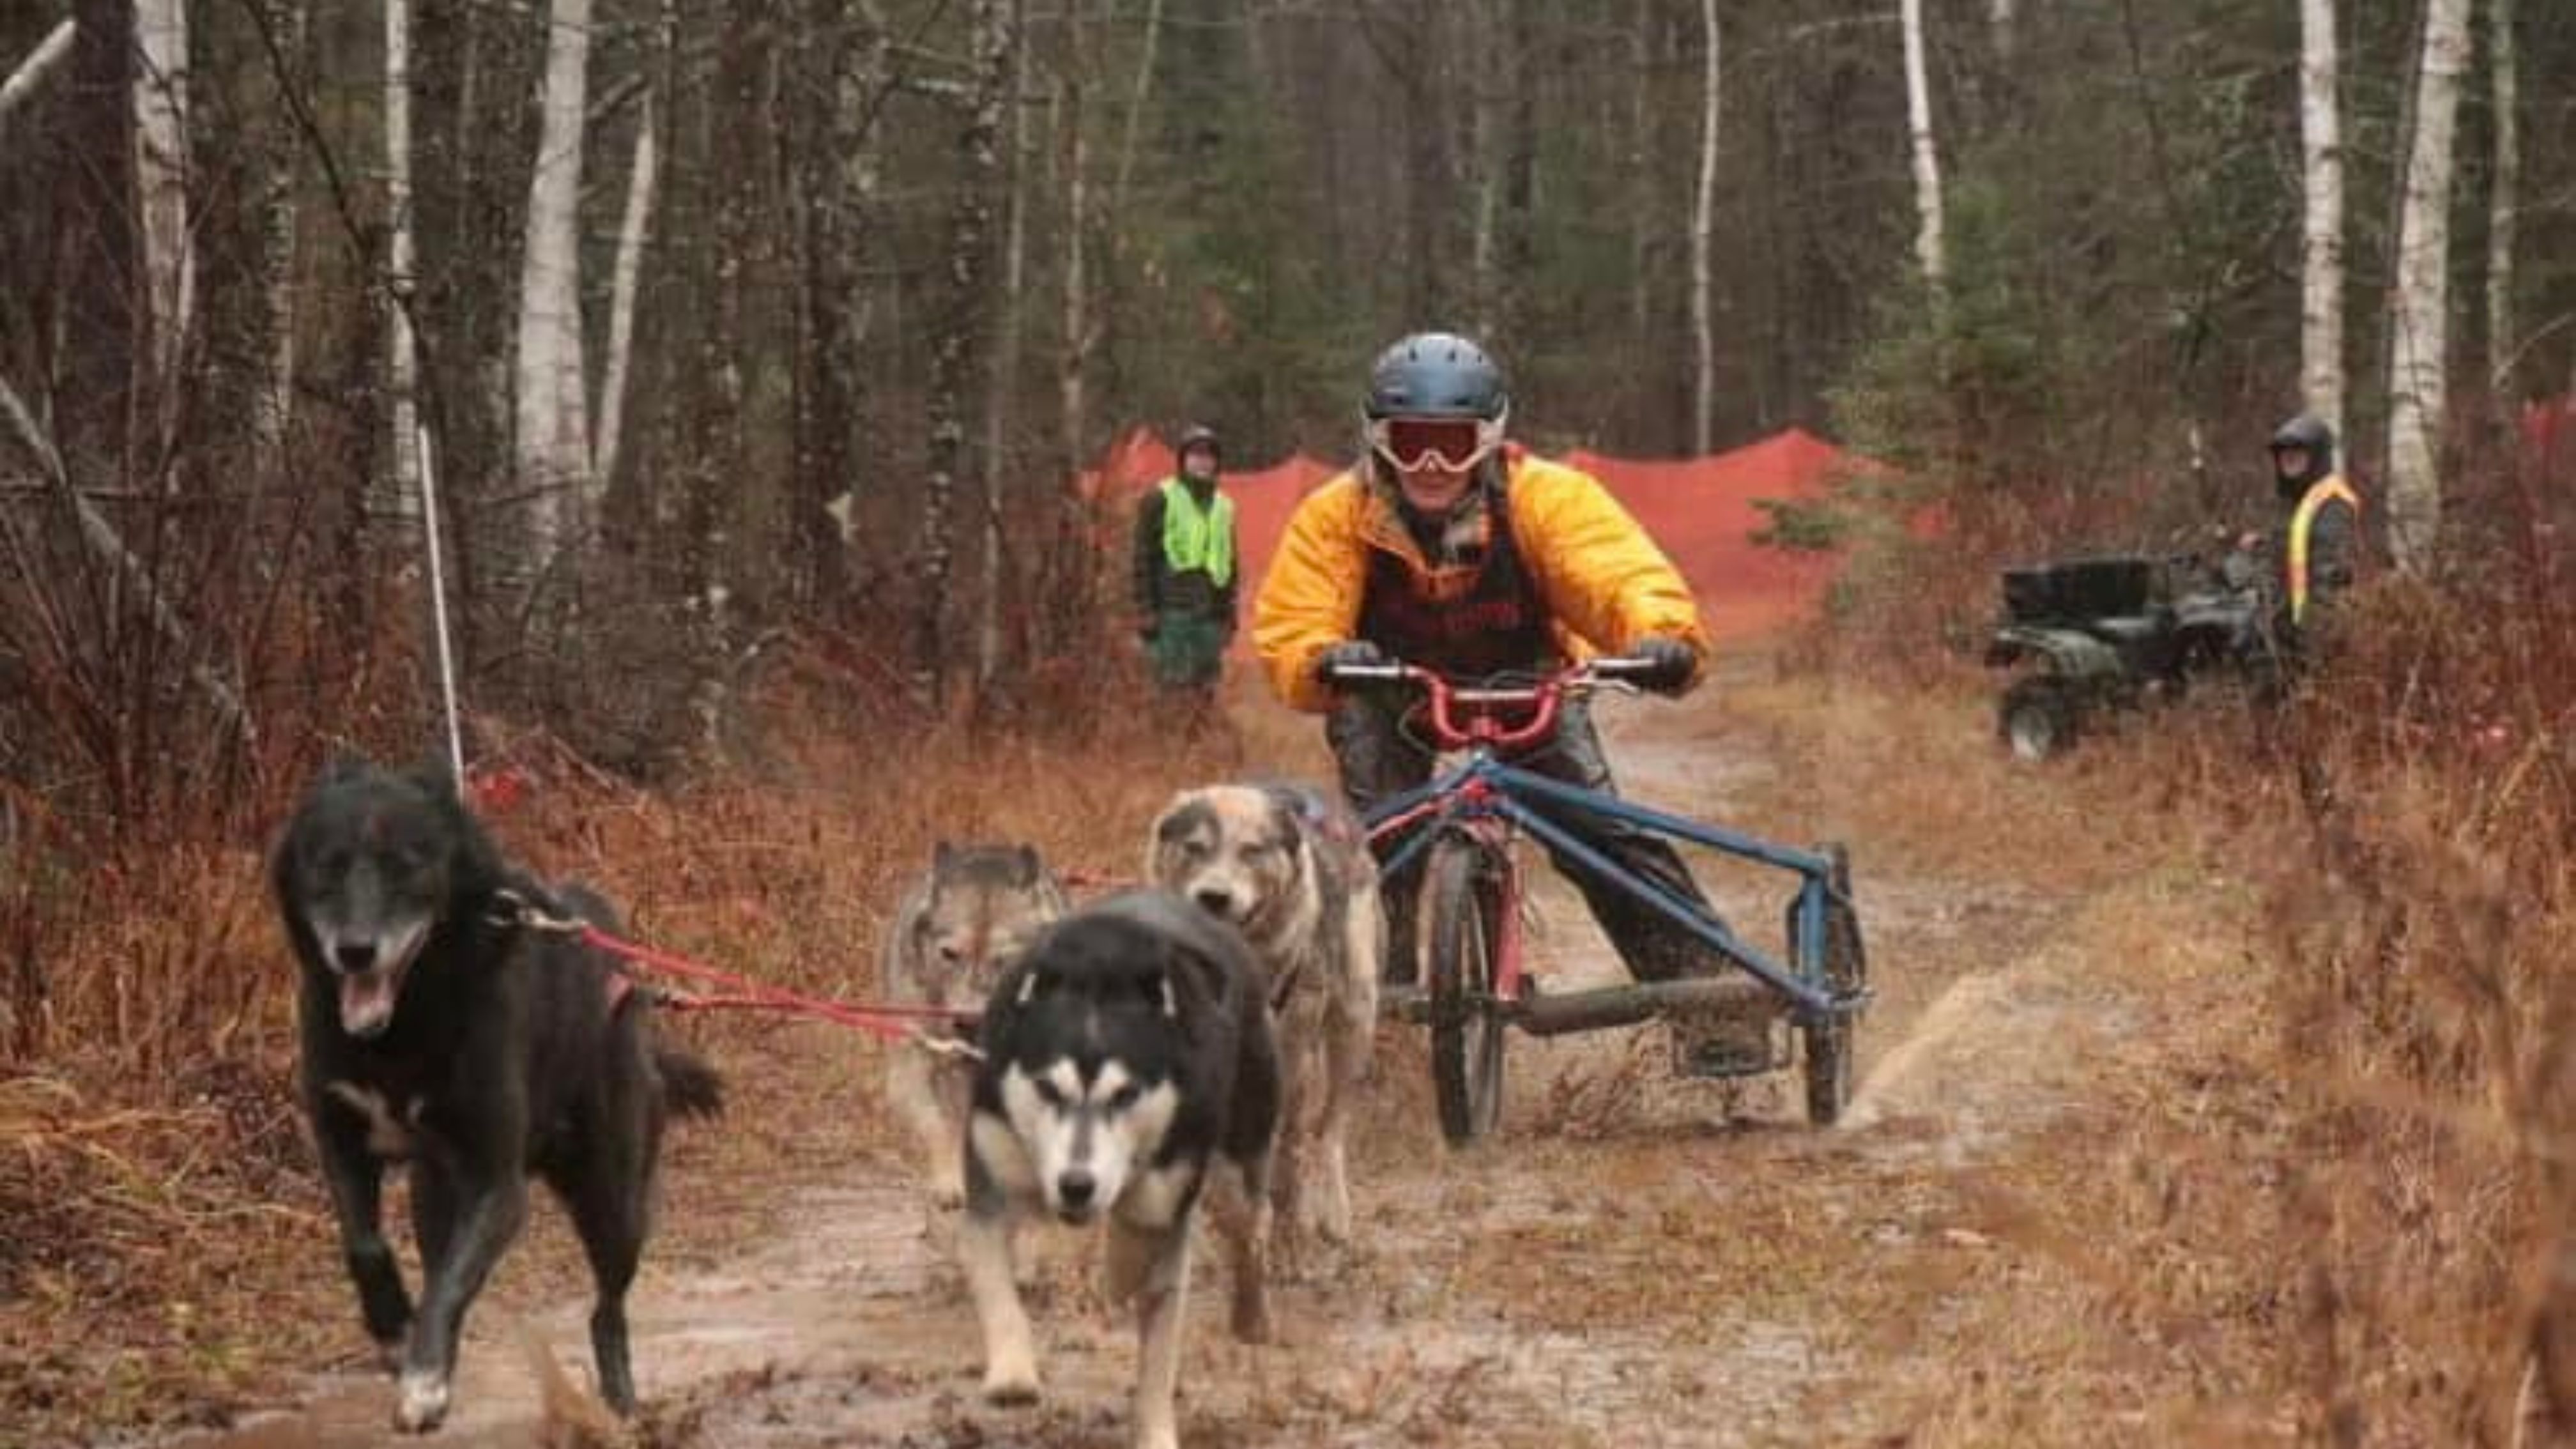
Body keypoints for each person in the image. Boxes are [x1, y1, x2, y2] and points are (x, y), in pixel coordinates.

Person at [1252, 330, 1745, 1069]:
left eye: (1451, 443)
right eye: (1412, 441)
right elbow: (1297, 620)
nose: (1431, 465)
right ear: (1378, 439)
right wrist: (1322, 657)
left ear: (1488, 438)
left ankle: (1711, 1004)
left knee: (1598, 835)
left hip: (1528, 684)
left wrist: (1661, 638)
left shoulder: (1545, 497)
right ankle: (1376, 1032)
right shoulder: (1336, 514)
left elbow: (1614, 571)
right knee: (1380, 845)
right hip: (1390, 689)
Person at [1131, 425, 1240, 715]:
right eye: (1196, 454)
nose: (1202, 461)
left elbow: (1230, 564)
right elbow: (1142, 558)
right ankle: (1167, 741)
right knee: (1170, 690)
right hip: (1171, 612)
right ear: (1183, 460)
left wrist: (1229, 616)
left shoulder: (1224, 507)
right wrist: (1145, 609)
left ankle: (1197, 742)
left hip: (1210, 615)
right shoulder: (1160, 498)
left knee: (1205, 690)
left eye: (1209, 456)